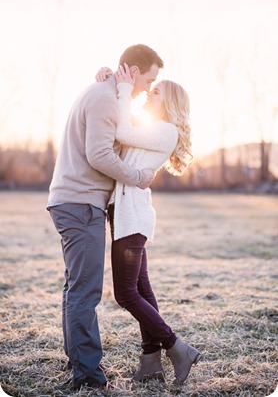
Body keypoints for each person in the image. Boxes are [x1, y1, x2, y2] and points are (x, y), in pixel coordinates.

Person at [46, 44, 164, 391]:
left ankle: (78, 363)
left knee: (75, 289)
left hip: (75, 202)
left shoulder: (108, 94)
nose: (148, 87)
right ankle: (88, 376)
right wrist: (138, 176)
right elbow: (99, 155)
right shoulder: (105, 98)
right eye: (149, 79)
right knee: (85, 292)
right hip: (80, 203)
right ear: (132, 70)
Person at [95, 64, 202, 386]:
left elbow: (121, 131)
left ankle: (177, 347)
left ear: (168, 102)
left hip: (133, 217)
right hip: (127, 213)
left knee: (126, 294)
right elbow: (121, 134)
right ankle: (150, 363)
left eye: (156, 91)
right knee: (141, 289)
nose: (149, 92)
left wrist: (125, 90)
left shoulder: (166, 129)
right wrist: (109, 83)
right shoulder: (154, 128)